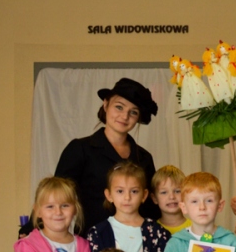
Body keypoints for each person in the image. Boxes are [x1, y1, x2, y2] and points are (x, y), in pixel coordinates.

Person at [55, 78, 160, 232]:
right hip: (91, 240)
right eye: (119, 107)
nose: (124, 116)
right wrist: (33, 228)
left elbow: (152, 206)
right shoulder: (80, 149)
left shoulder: (144, 158)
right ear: (106, 105)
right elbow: (56, 194)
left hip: (136, 241)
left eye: (133, 112)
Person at [152, 165, 191, 235]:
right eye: (164, 192)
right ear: (154, 198)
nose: (172, 197)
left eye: (177, 191)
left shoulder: (196, 228)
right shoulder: (151, 230)